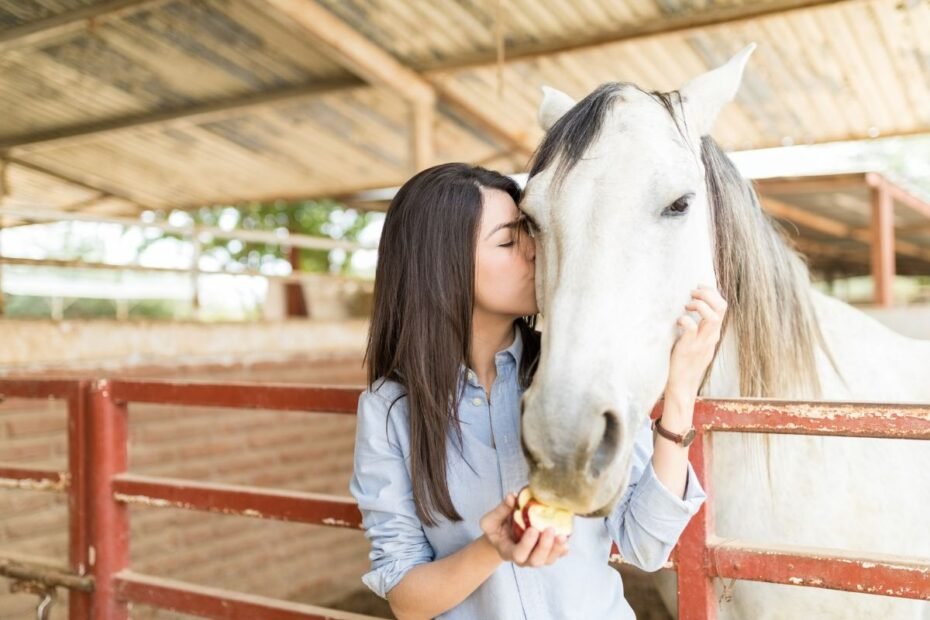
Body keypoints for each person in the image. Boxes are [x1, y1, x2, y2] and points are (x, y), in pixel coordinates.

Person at [349, 163, 727, 619]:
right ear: (440, 266)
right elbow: (407, 602)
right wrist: (494, 547)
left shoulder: (579, 372)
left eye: (529, 234)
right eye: (509, 242)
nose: (535, 252)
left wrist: (681, 391)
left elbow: (645, 543)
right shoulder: (390, 412)